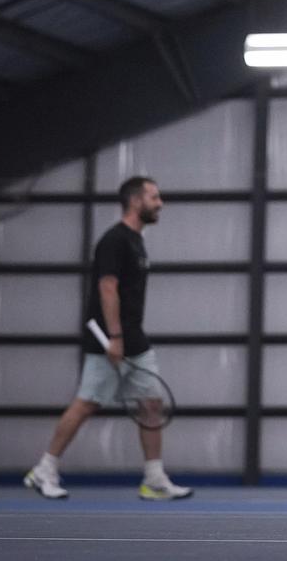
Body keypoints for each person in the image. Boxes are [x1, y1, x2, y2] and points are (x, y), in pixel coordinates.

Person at [24, 176, 192, 501]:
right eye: (154, 198)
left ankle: (154, 479)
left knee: (152, 403)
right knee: (87, 403)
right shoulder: (114, 241)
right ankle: (44, 469)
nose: (160, 204)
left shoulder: (137, 241)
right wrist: (115, 337)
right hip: (109, 339)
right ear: (135, 201)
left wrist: (128, 336)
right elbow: (107, 287)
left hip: (136, 339)